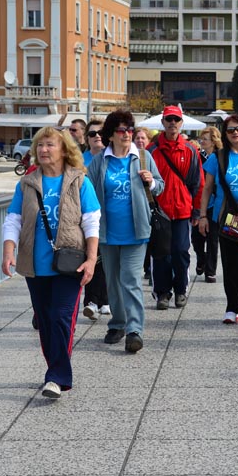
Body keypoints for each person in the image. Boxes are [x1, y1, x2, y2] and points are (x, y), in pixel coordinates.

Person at [2, 126, 100, 399]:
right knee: (45, 321)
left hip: (70, 262)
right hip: (36, 264)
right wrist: (8, 252)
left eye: (50, 145)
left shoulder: (79, 181)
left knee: (60, 316)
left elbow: (92, 221)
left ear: (64, 149)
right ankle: (56, 371)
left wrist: (92, 259)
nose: (43, 150)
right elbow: (13, 220)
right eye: (40, 145)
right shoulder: (27, 184)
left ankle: (56, 377)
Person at [86, 110, 164, 352]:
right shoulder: (100, 161)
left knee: (130, 280)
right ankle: (117, 324)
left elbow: (160, 186)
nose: (127, 134)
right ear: (110, 135)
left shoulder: (143, 156)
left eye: (130, 130)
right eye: (121, 130)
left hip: (136, 230)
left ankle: (134, 330)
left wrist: (151, 181)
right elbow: (89, 193)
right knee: (112, 282)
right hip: (107, 232)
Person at [199, 114, 238, 325]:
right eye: (231, 130)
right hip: (225, 216)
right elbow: (207, 188)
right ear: (225, 134)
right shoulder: (218, 157)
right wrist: (203, 216)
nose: (236, 133)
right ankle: (232, 307)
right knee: (230, 263)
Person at [148, 105, 205, 310]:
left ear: (181, 123)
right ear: (162, 122)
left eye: (176, 119)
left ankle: (181, 290)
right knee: (161, 254)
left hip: (182, 210)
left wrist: (197, 211)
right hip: (159, 211)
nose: (172, 123)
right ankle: (162, 293)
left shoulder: (189, 149)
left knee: (181, 252)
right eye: (169, 119)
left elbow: (198, 183)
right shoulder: (152, 150)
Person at [82, 118, 110, 319]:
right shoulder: (79, 160)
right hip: (87, 217)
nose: (97, 136)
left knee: (106, 259)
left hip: (108, 216)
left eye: (100, 133)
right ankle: (91, 301)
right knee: (92, 257)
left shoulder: (112, 158)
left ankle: (105, 300)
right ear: (87, 138)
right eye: (92, 134)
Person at [192, 127, 221, 283]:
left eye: (205, 139)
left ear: (213, 141)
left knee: (213, 238)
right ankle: (201, 259)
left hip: (215, 203)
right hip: (199, 202)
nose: (202, 142)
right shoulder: (198, 156)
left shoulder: (221, 157)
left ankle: (210, 271)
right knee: (196, 238)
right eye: (201, 139)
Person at [134, 126, 154, 281]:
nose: (140, 141)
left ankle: (149, 268)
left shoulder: (147, 156)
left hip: (148, 206)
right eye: (137, 138)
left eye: (143, 138)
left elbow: (160, 184)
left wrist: (151, 181)